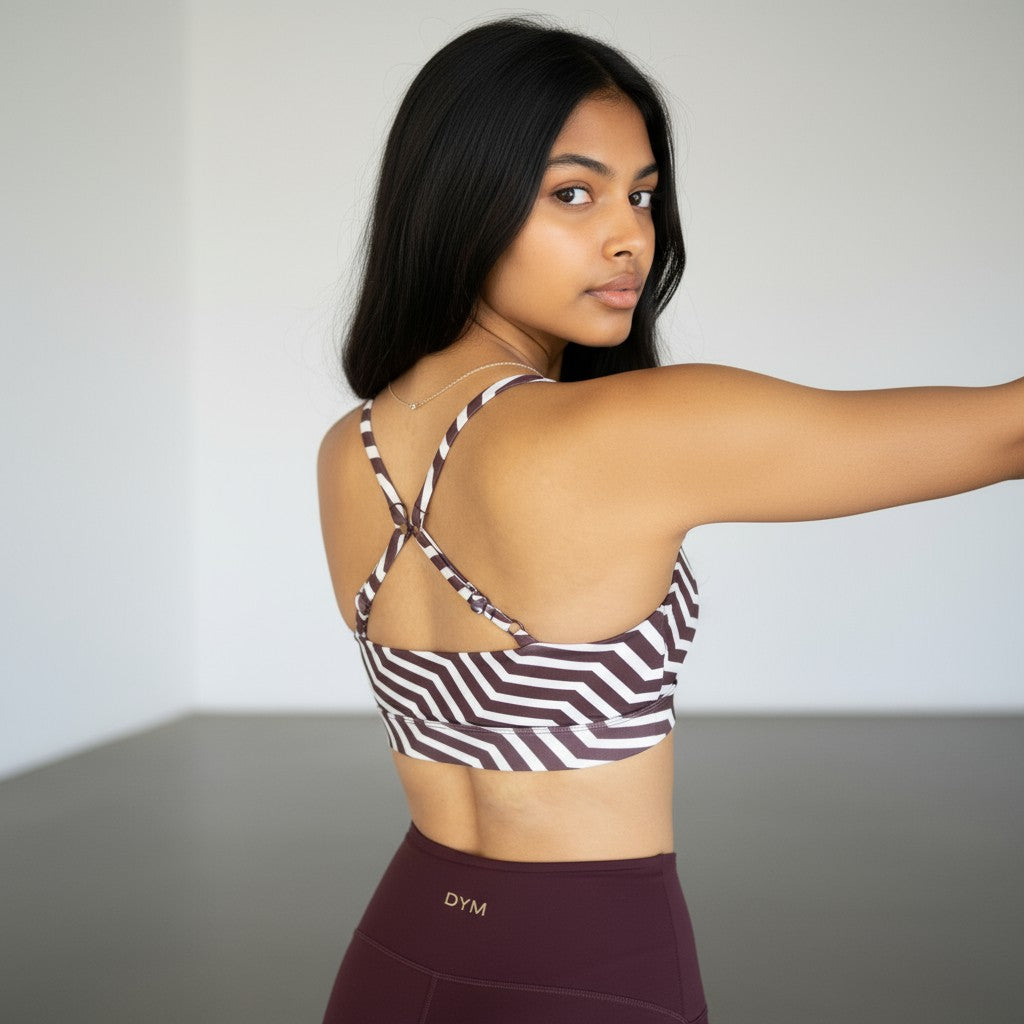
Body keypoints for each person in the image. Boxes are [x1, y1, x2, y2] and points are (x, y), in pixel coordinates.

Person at [315, 15, 1022, 1024]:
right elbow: (1006, 433)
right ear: (461, 197)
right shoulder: (627, 430)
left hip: (397, 947)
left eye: (642, 194)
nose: (629, 235)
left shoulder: (350, 449)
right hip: (587, 961)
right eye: (574, 191)